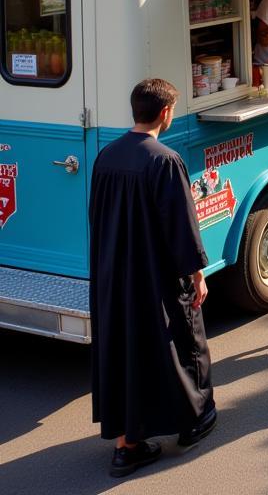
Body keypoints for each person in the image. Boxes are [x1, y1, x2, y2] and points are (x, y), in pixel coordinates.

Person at [89, 79, 216, 478]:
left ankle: (127, 443)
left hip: (114, 273)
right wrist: (197, 274)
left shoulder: (105, 156)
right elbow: (182, 227)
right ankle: (195, 419)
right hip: (156, 274)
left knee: (124, 351)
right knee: (181, 343)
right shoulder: (165, 160)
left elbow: (96, 216)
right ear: (165, 113)